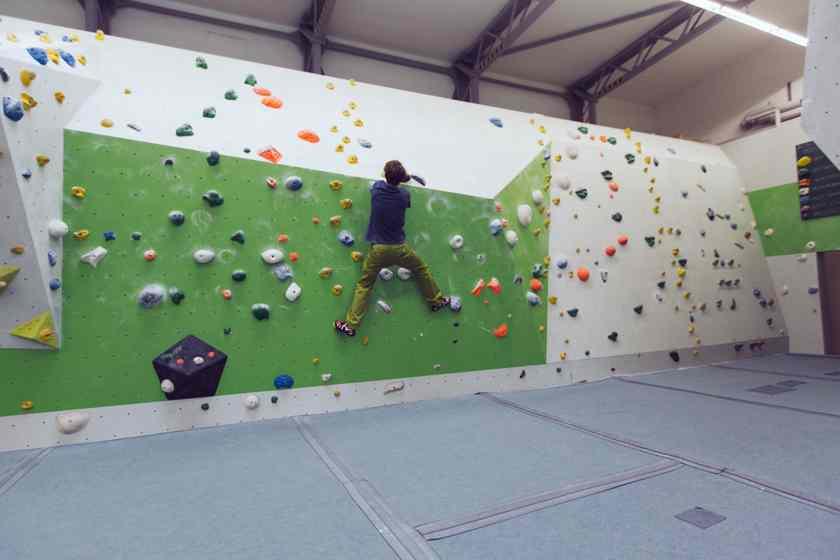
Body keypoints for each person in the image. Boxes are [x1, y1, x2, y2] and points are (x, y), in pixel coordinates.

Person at [334, 160, 452, 337]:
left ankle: (351, 325)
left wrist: (397, 177)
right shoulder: (404, 195)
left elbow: (383, 180)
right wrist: (406, 178)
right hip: (400, 249)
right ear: (401, 179)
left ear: (385, 175)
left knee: (365, 285)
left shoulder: (377, 189)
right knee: (421, 269)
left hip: (378, 250)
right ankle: (436, 300)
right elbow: (403, 195)